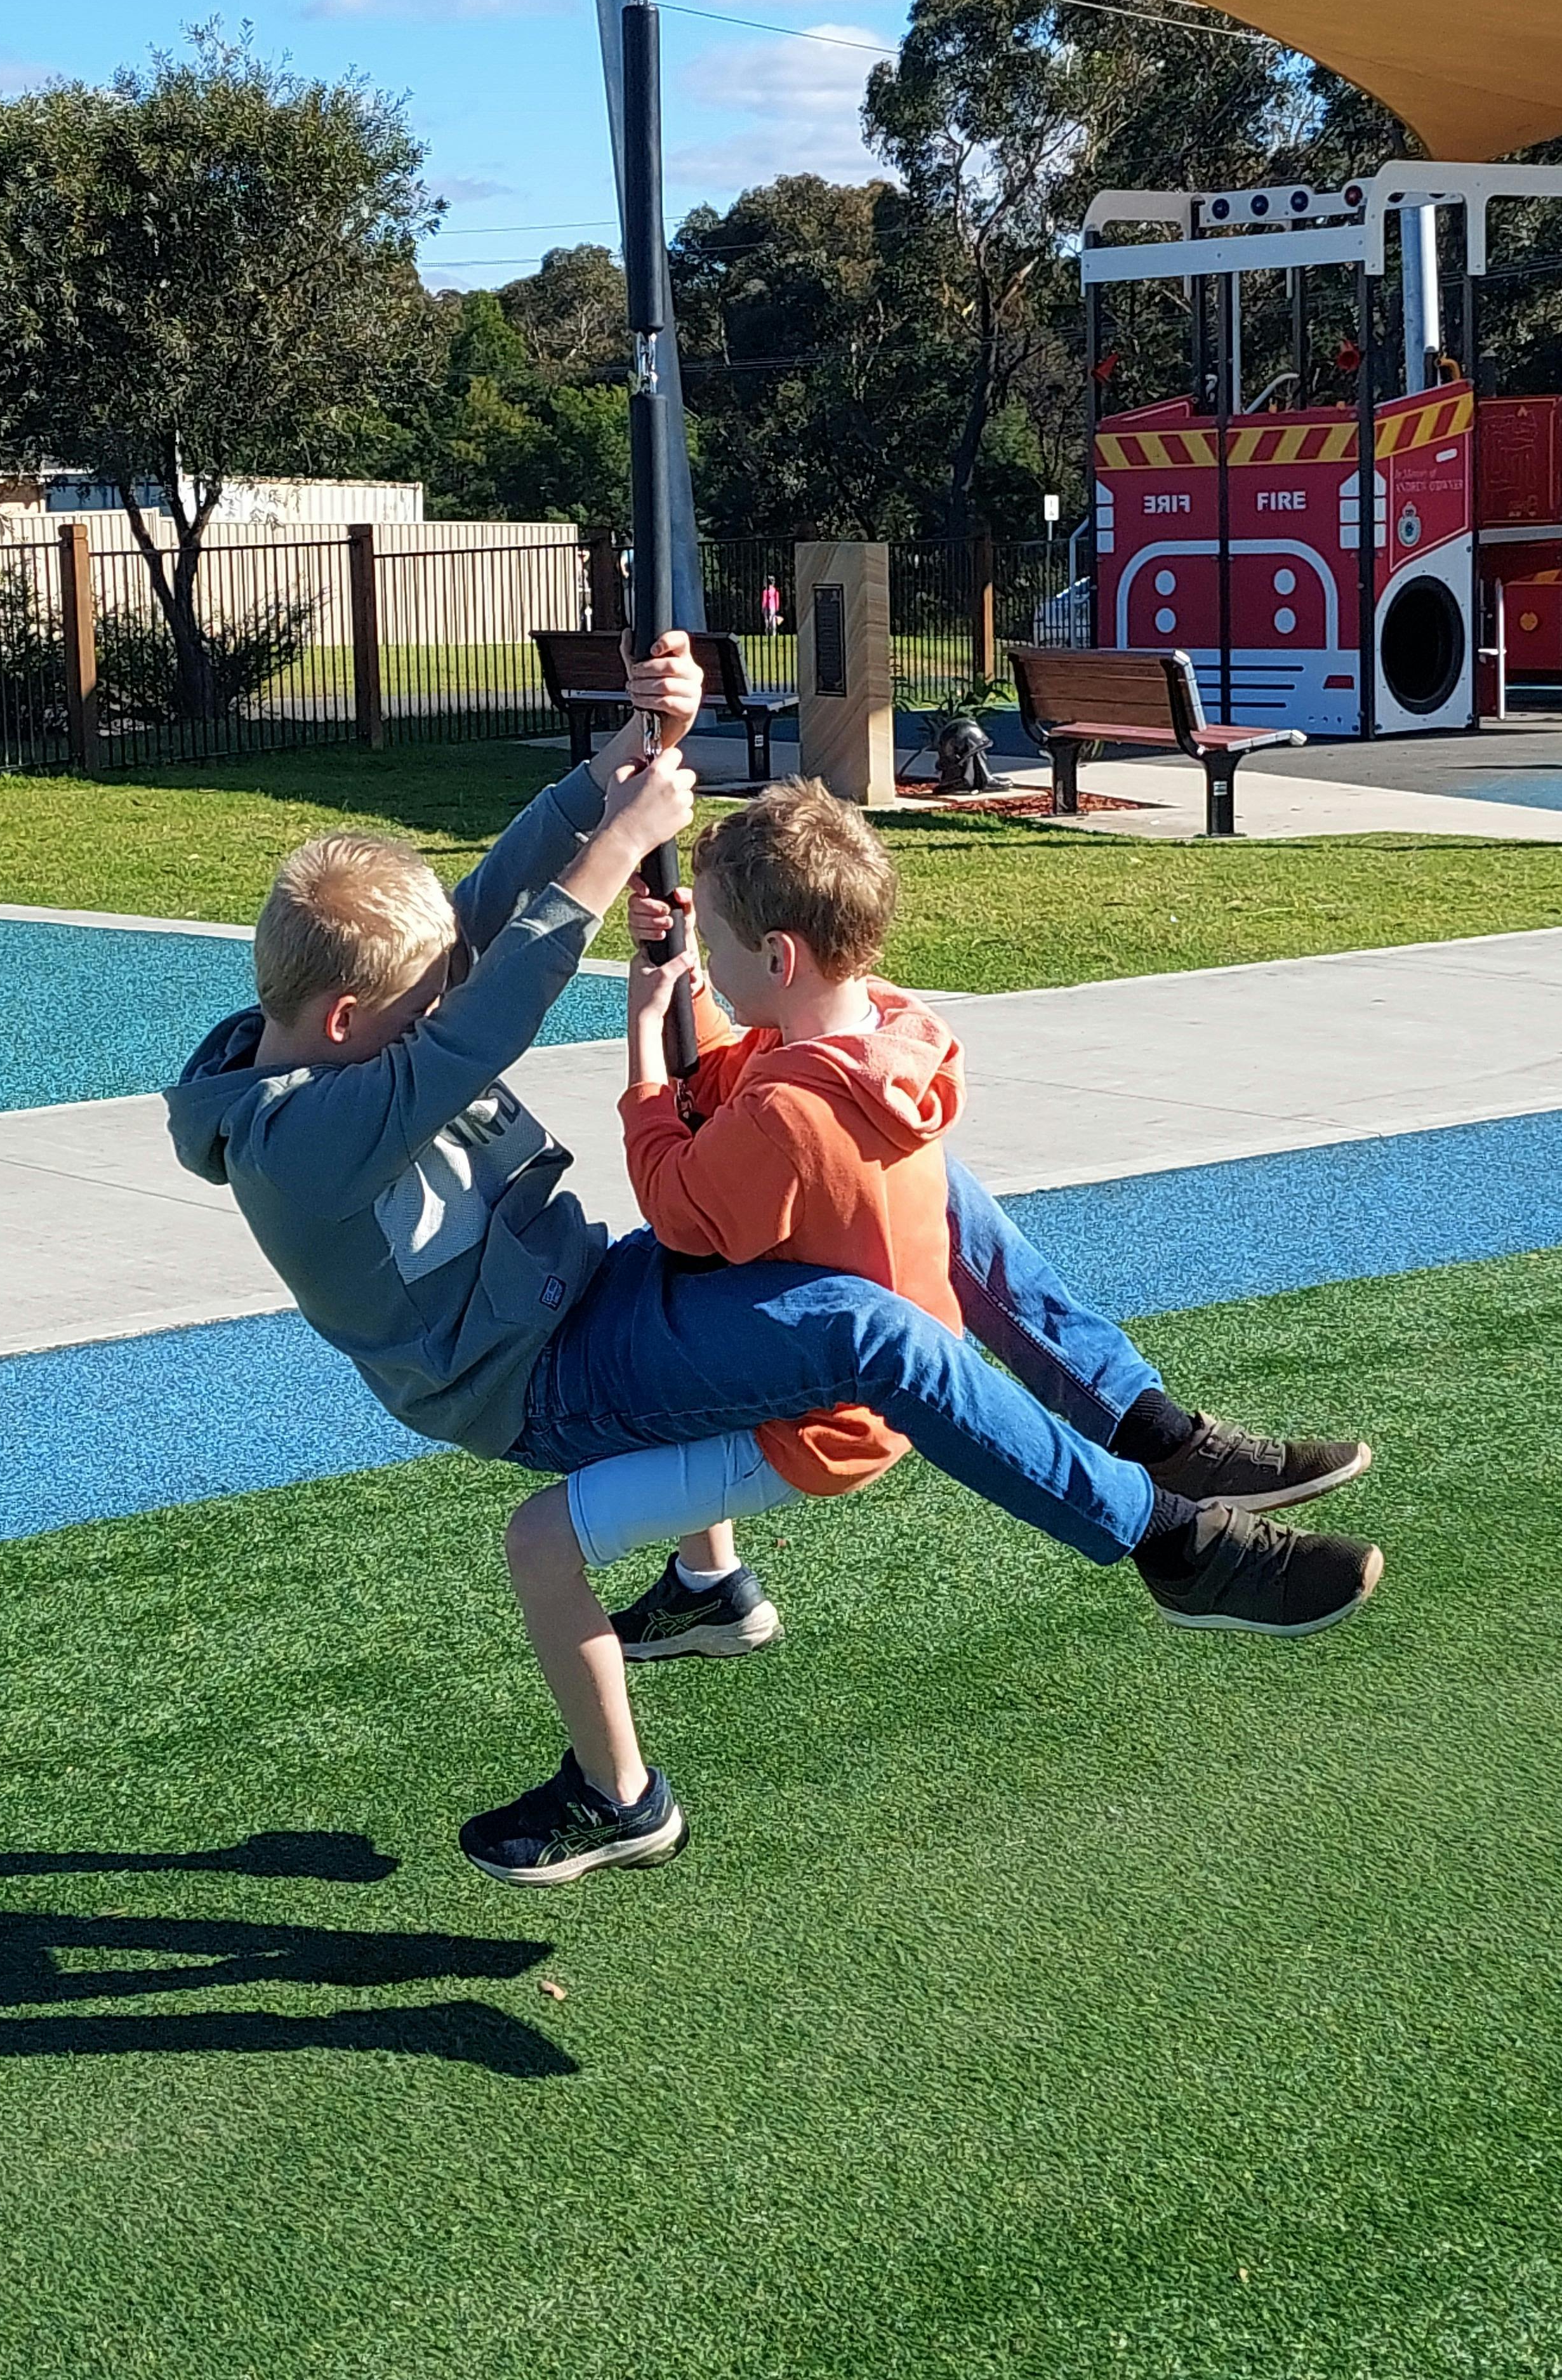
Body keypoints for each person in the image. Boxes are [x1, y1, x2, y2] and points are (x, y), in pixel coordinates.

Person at [163, 635, 1379, 1892]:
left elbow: (478, 918)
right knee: (865, 1330)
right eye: (419, 1005)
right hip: (535, 1381)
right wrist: (615, 846)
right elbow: (482, 1017)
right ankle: (1167, 1540)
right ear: (348, 1021)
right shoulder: (294, 1146)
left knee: (916, 1177)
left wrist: (626, 753)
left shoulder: (336, 1025)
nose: (440, 997)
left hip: (589, 1294)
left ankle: (1144, 1426)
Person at [481, 776, 1377, 1880]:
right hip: (859, 1361)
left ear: (781, 956)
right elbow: (743, 1072)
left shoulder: (790, 1114)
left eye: (714, 942)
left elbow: (681, 1203)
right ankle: (1136, 1431)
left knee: (563, 1484)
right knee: (940, 1195)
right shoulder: (883, 1039)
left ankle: (616, 1790)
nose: (701, 958)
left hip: (803, 1423)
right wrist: (692, 986)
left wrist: (640, 1054)